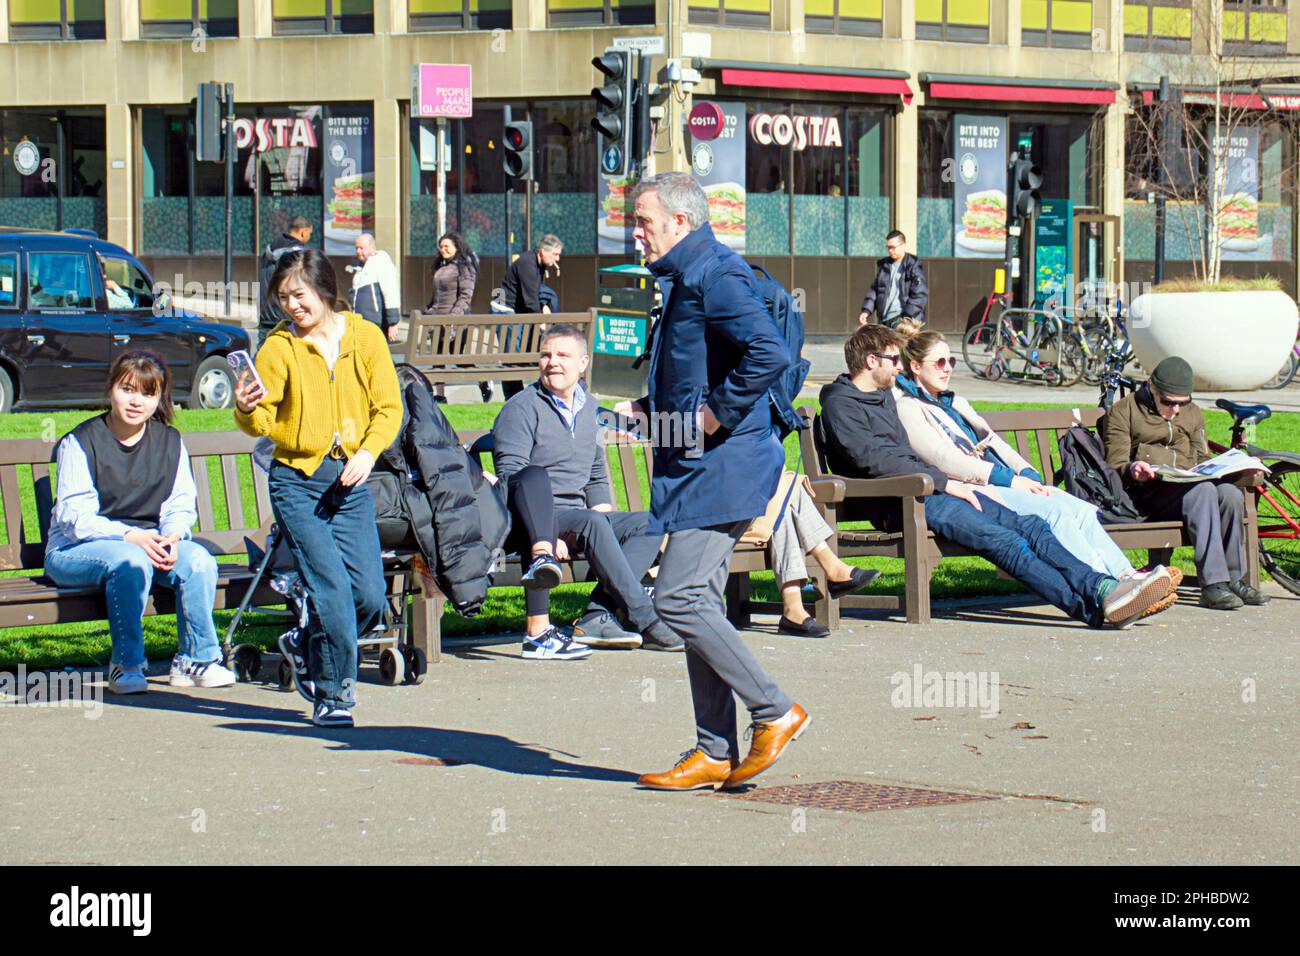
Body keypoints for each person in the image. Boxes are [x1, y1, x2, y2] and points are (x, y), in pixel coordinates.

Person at [619, 172, 808, 793]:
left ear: (681, 220)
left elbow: (768, 354)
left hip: (724, 464)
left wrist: (712, 414)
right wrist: (657, 408)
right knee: (696, 595)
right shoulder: (685, 275)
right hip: (700, 463)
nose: (636, 231)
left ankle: (774, 710)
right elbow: (697, 363)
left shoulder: (714, 273)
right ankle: (713, 751)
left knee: (676, 599)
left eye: (643, 219)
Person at [819, 324, 1175, 631]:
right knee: (1005, 541)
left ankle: (1104, 588)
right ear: (871, 361)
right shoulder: (840, 402)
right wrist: (943, 481)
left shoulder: (882, 399)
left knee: (1034, 525)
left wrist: (946, 482)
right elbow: (874, 461)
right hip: (899, 499)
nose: (898, 369)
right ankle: (1094, 610)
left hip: (932, 490)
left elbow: (906, 455)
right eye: (893, 360)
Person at [234, 248, 402, 728]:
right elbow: (261, 420)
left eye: (299, 295)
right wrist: (248, 408)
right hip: (296, 481)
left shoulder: (366, 338)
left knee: (369, 594)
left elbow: (389, 408)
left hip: (350, 480)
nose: (292, 306)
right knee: (328, 587)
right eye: (283, 297)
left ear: (325, 290)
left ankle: (309, 640)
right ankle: (334, 694)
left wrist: (368, 453)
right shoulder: (279, 347)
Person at [45, 351, 236, 694]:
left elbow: (180, 503)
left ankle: (196, 660)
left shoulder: (170, 441)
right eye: (127, 389)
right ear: (111, 390)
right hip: (77, 550)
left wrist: (173, 536)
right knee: (130, 561)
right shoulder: (80, 441)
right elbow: (77, 521)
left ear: (159, 398)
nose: (136, 401)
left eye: (148, 394)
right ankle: (127, 664)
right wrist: (132, 536)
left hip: (148, 544)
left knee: (199, 561)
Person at [492, 323, 684, 657]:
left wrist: (606, 519)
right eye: (546, 354)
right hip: (534, 520)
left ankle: (597, 615)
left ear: (583, 363)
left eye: (563, 355)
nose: (553, 362)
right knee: (593, 525)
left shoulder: (589, 409)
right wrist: (547, 534)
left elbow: (595, 474)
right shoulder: (520, 409)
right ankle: (647, 620)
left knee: (650, 523)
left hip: (579, 518)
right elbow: (512, 479)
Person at [1102, 355, 1268, 611]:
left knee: (1228, 494)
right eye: (1169, 403)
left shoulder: (1191, 414)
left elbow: (1201, 456)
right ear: (1152, 388)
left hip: (1189, 486)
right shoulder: (1125, 411)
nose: (1176, 410)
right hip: (1146, 494)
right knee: (1203, 492)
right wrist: (1134, 468)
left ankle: (1235, 578)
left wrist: (1224, 468)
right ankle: (1212, 585)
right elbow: (1115, 463)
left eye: (1182, 403)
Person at [758, 478, 881, 638]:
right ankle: (831, 569)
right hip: (728, 506)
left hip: (752, 498)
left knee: (787, 487)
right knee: (782, 492)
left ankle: (794, 608)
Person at [426, 231, 490, 403]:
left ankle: (483, 380)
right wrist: (429, 312)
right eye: (441, 246)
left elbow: (465, 296)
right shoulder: (442, 267)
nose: (443, 249)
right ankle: (440, 396)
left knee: (459, 358)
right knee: (436, 359)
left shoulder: (465, 267)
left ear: (456, 247)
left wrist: (453, 318)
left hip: (455, 321)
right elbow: (436, 296)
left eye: (447, 246)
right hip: (437, 321)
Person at [499, 234, 563, 400]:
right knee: (512, 359)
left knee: (517, 357)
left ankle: (521, 397)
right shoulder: (527, 263)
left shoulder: (536, 263)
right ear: (543, 251)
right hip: (507, 313)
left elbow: (534, 294)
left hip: (517, 314)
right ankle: (514, 399)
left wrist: (544, 305)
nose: (558, 258)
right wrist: (541, 321)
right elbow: (529, 300)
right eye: (555, 254)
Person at [257, 216, 313, 349]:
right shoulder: (298, 254)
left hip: (266, 317)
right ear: (303, 232)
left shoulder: (268, 251)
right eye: (309, 234)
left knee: (263, 362)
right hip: (288, 318)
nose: (309, 238)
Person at [858, 230, 927, 329]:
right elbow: (875, 290)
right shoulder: (884, 266)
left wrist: (907, 317)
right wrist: (866, 310)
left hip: (903, 321)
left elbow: (920, 294)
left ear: (903, 245)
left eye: (893, 247)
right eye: (888, 247)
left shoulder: (913, 265)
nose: (890, 250)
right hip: (885, 320)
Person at [350, 233, 402, 344]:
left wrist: (393, 322)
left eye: (361, 248)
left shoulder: (381, 262)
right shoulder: (360, 267)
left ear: (372, 248)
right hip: (361, 323)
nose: (358, 251)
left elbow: (390, 292)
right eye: (356, 248)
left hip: (376, 323)